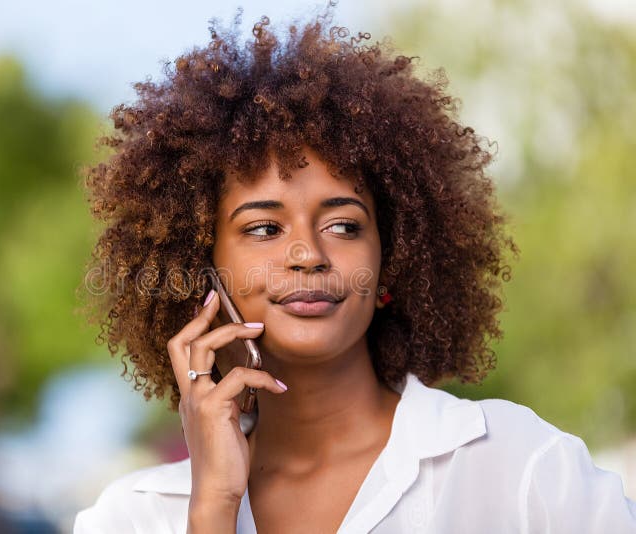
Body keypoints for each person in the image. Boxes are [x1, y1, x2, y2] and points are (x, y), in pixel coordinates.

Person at [74, 4, 636, 533]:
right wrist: (214, 510)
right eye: (264, 229)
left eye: (343, 225)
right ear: (204, 270)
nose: (308, 254)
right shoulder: (134, 517)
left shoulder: (518, 467)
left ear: (391, 258)